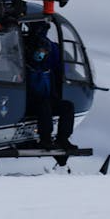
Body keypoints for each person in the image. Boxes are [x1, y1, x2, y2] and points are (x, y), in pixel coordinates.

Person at [24, 21, 77, 151]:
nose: (41, 54)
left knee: (67, 106)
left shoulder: (47, 69)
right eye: (39, 51)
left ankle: (62, 138)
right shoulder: (26, 68)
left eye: (44, 52)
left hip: (46, 100)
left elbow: (64, 67)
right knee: (44, 105)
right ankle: (45, 138)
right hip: (28, 102)